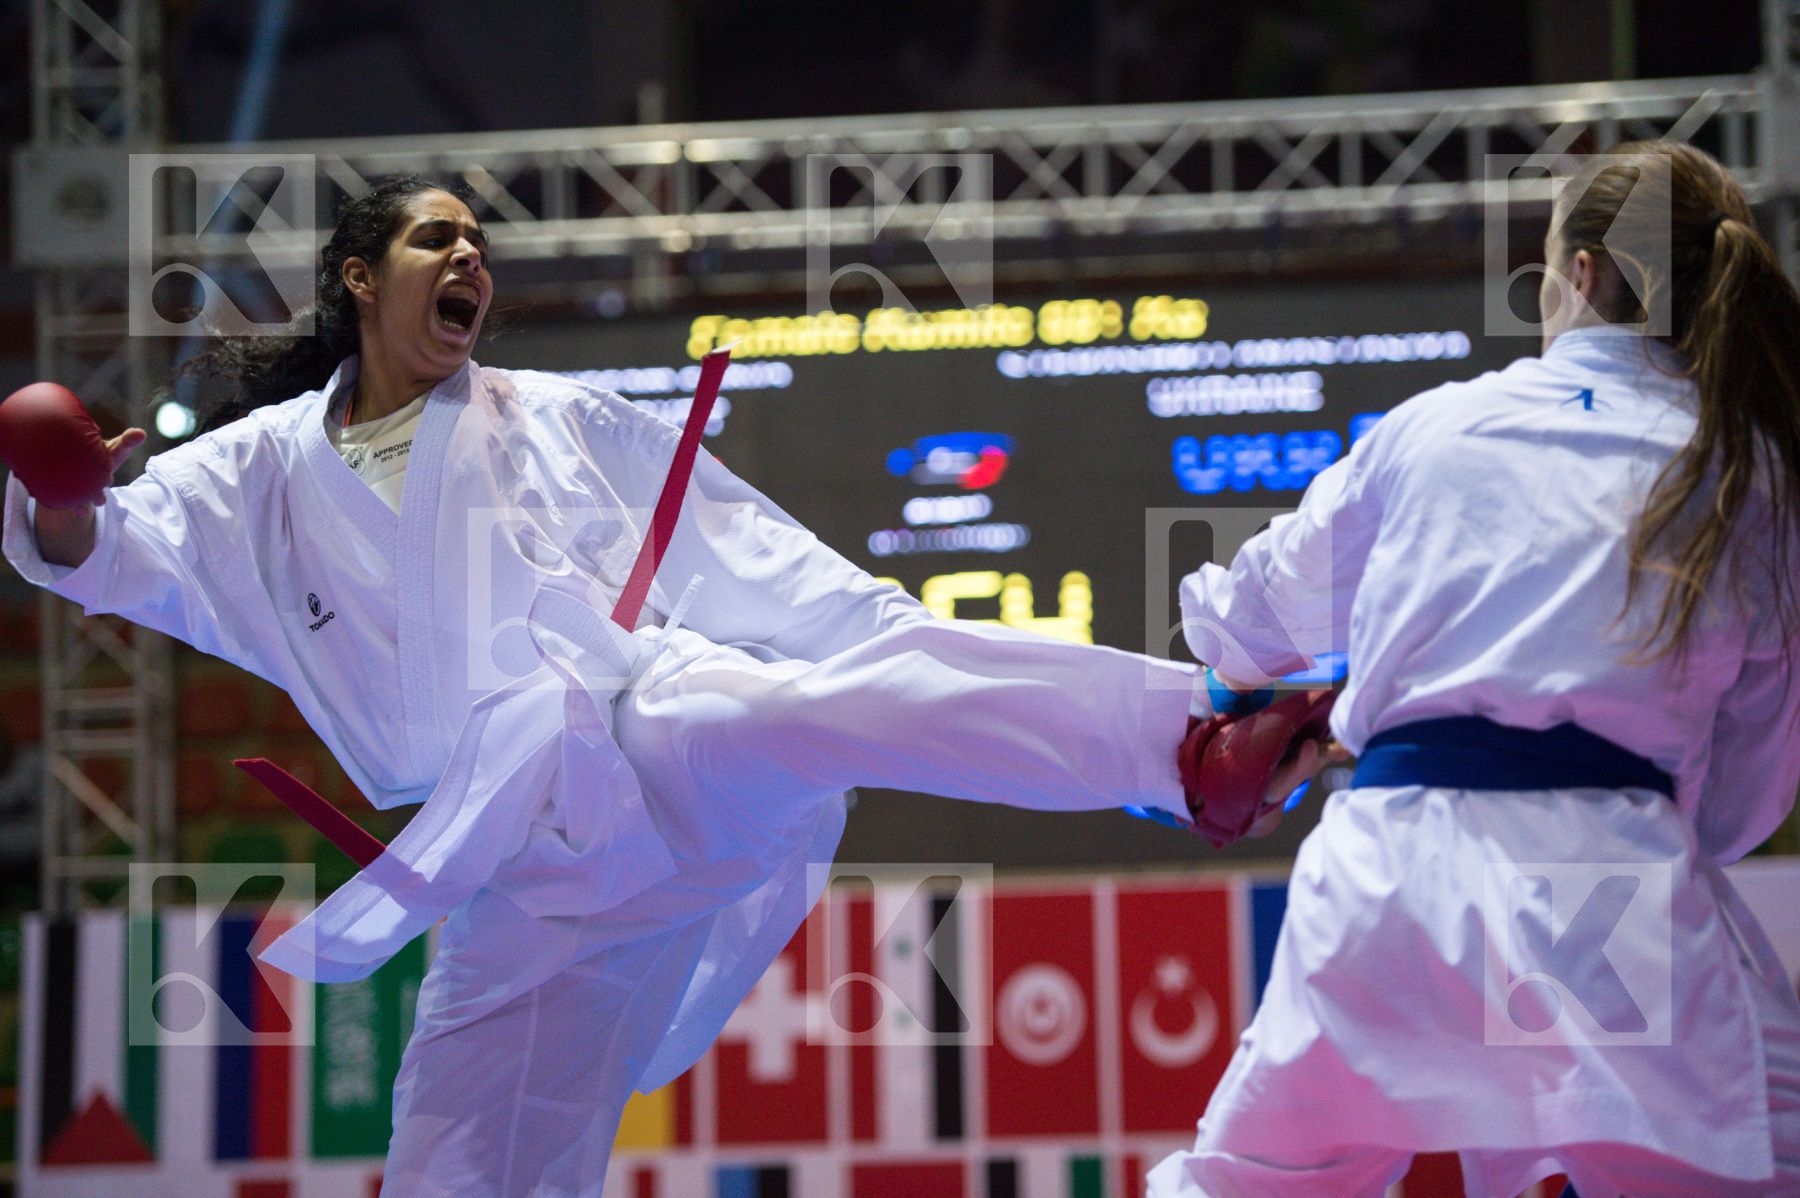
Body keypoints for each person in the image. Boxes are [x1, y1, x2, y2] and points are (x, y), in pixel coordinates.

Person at [3, 176, 1312, 1195]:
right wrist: (63, 493)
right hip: (519, 869)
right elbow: (106, 550)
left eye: (480, 245)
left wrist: (899, 648)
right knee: (453, 1154)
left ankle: (1186, 748)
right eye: (435, 239)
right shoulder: (258, 475)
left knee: (820, 704)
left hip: (648, 733)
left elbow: (774, 570)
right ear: (359, 277)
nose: (469, 259)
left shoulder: (557, 419)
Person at [1151, 140, 1800, 1197]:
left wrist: (1233, 690)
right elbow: (1743, 804)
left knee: (1249, 1182)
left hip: (1385, 873)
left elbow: (1257, 612)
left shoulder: (1436, 426)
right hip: (1607, 893)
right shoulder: (1748, 473)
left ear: (1580, 273)